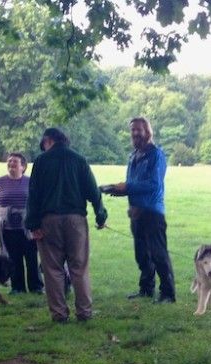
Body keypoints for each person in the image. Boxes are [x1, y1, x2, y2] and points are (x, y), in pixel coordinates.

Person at [25, 128, 107, 322]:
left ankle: (59, 314)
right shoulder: (79, 160)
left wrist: (32, 223)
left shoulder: (41, 161)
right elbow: (93, 190)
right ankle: (84, 312)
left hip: (48, 220)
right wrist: (100, 215)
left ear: (48, 140)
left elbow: (33, 195)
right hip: (76, 219)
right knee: (79, 267)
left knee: (52, 269)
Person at [103, 117, 176, 304]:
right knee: (141, 254)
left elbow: (153, 184)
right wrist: (116, 190)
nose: (135, 133)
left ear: (148, 132)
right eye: (133, 130)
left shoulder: (156, 155)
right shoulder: (133, 156)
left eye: (139, 130)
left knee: (158, 254)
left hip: (153, 212)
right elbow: (132, 185)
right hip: (137, 212)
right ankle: (146, 289)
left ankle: (168, 293)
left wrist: (126, 187)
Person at [0, 153, 44, 295]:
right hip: (8, 228)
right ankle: (17, 287)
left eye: (15, 162)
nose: (11, 164)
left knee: (31, 257)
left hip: (28, 227)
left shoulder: (31, 182)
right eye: (9, 162)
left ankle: (36, 287)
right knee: (14, 258)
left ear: (23, 166)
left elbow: (37, 202)